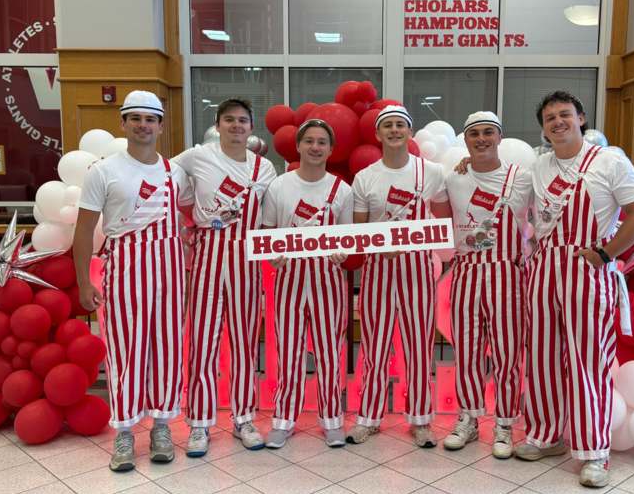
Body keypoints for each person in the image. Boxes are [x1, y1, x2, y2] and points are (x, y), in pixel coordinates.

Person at [514, 91, 634, 487]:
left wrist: (607, 254)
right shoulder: (538, 166)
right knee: (542, 357)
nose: (558, 122)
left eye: (565, 115)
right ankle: (545, 434)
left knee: (588, 360)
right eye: (550, 117)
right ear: (543, 127)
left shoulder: (609, 160)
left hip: (587, 267)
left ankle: (594, 452)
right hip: (543, 269)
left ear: (581, 118)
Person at [74, 90, 191, 472]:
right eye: (135, 118)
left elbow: (187, 221)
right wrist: (82, 282)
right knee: (126, 350)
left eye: (150, 119)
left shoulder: (175, 172)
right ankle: (124, 431)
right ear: (123, 123)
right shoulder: (104, 171)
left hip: (171, 270)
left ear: (160, 126)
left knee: (168, 348)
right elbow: (84, 229)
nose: (143, 125)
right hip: (125, 269)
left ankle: (161, 426)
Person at [172, 98, 276, 456]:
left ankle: (243, 417)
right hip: (207, 253)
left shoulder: (265, 169)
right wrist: (186, 221)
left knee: (246, 342)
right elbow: (162, 176)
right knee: (203, 341)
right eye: (229, 120)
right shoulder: (198, 155)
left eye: (242, 121)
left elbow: (272, 216)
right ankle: (199, 423)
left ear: (251, 128)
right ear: (218, 125)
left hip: (247, 257)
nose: (236, 126)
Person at [431, 111, 532, 457]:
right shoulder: (452, 179)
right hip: (466, 271)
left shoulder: (523, 178)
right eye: (474, 134)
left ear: (500, 137)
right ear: (466, 140)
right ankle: (469, 418)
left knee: (507, 353)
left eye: (489, 132)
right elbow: (439, 217)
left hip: (508, 273)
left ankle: (504, 422)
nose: (482, 139)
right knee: (468, 350)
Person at [348, 105, 448, 447]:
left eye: (400, 125)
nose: (393, 131)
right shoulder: (366, 177)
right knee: (374, 346)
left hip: (418, 269)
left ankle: (420, 419)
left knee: (418, 345)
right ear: (377, 134)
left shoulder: (431, 172)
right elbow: (359, 229)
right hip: (378, 269)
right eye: (387, 126)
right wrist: (380, 245)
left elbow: (443, 221)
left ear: (409, 132)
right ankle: (369, 417)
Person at [261, 119, 353, 448]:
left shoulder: (342, 190)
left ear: (331, 149)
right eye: (309, 141)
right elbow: (268, 231)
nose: (315, 147)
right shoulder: (280, 186)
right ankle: (284, 419)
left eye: (322, 142)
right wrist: (273, 255)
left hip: (328, 279)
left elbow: (346, 238)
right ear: (298, 146)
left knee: (329, 351)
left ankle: (332, 419)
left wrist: (342, 253)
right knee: (289, 351)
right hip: (289, 278)